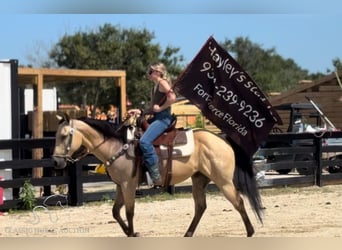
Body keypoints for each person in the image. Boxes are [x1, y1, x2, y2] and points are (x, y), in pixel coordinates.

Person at [128, 62, 176, 187]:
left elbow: (172, 97)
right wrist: (140, 111)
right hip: (156, 117)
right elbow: (152, 109)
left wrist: (161, 108)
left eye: (151, 71)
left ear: (158, 72)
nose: (148, 74)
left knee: (144, 141)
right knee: (135, 134)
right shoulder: (154, 87)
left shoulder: (162, 82)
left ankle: (156, 176)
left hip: (163, 119)